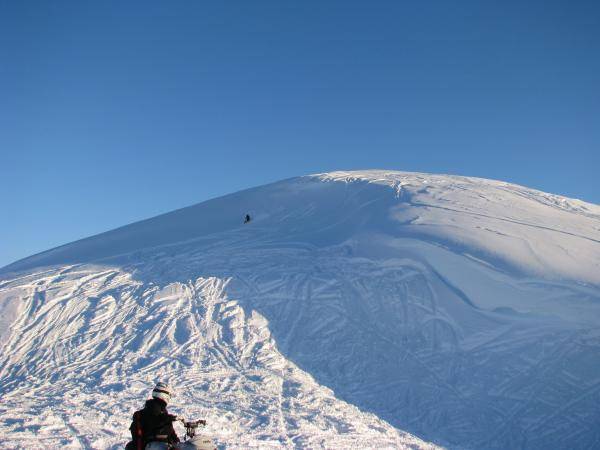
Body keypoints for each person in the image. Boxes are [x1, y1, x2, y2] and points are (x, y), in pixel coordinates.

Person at [127, 382, 180, 449]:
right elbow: (154, 421)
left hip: (160, 444)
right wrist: (167, 418)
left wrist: (177, 441)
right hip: (153, 445)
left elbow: (169, 429)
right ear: (165, 395)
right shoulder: (153, 407)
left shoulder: (161, 409)